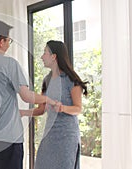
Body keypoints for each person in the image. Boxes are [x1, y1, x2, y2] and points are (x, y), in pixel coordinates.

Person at [0, 19, 57, 169]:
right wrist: (48, 99)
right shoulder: (9, 64)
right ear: (1, 41)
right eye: (8, 40)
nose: (8, 44)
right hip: (9, 137)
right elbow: (26, 96)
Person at [20, 40, 88, 169]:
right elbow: (41, 109)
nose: (41, 57)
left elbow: (78, 109)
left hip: (67, 137)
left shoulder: (71, 80)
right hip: (49, 135)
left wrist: (62, 108)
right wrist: (23, 113)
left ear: (54, 56)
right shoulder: (47, 80)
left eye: (45, 53)